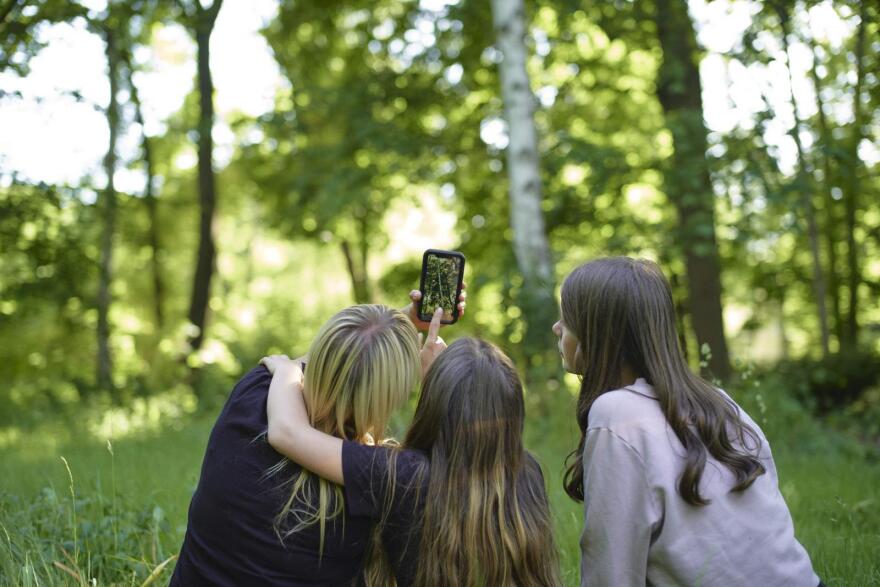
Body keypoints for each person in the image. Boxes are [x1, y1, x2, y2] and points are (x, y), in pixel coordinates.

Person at [553, 256, 820, 587]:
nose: (557, 327)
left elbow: (611, 572)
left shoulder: (615, 414)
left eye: (568, 318)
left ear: (598, 333)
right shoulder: (720, 402)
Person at [261, 334, 562, 587]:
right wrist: (440, 377)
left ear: (434, 405)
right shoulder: (527, 472)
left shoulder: (403, 474)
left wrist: (288, 371)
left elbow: (287, 433)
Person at [171, 304, 427, 586]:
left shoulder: (254, 390)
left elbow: (333, 359)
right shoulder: (385, 473)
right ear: (386, 396)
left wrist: (387, 324)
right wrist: (429, 378)